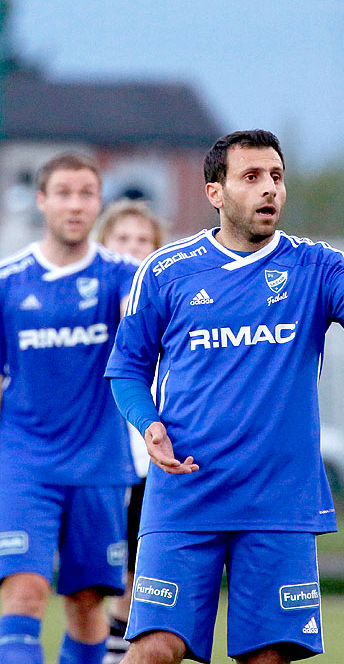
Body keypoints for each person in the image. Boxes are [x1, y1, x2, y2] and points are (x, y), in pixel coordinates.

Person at [104, 129, 344, 664]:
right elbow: (126, 368)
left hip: (277, 503)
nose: (269, 189)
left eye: (276, 177)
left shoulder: (315, 266)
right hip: (185, 495)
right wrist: (149, 426)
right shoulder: (165, 271)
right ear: (216, 193)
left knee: (267, 657)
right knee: (153, 649)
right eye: (251, 177)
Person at [0, 153, 138, 664]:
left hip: (99, 465)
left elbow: (142, 326)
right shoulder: (8, 282)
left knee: (85, 605)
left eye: (85, 193)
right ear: (42, 201)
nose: (75, 204)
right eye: (63, 192)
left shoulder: (124, 275)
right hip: (24, 465)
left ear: (97, 202)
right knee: (25, 591)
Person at [96, 199, 166, 664]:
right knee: (102, 575)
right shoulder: (92, 302)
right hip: (100, 454)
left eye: (143, 241)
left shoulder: (169, 301)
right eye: (123, 240)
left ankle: (121, 652)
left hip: (152, 456)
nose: (133, 249)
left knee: (142, 573)